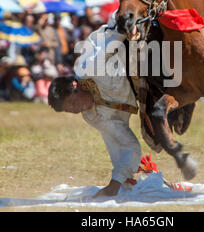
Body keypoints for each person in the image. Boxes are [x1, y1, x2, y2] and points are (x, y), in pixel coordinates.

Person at [47, 15, 141, 198]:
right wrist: (119, 181)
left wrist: (129, 24)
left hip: (127, 38)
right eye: (70, 110)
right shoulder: (92, 116)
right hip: (142, 90)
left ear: (75, 86)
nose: (75, 110)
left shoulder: (91, 68)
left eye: (73, 104)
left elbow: (115, 37)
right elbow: (123, 145)